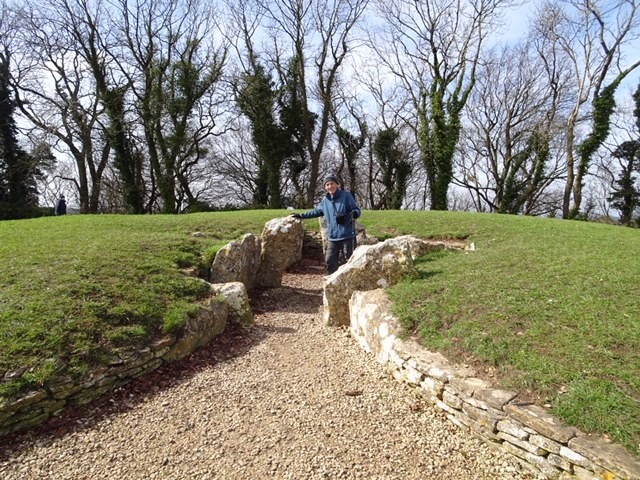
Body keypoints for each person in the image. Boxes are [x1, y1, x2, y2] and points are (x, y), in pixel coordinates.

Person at [291, 174, 361, 274]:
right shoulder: (325, 200)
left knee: (350, 261)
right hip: (332, 237)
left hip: (347, 236)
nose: (330, 186)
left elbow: (356, 209)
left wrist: (354, 214)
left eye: (332, 183)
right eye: (327, 185)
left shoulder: (346, 196)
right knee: (330, 260)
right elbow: (316, 212)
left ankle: (353, 285)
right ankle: (331, 283)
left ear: (337, 184)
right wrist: (301, 216)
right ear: (325, 187)